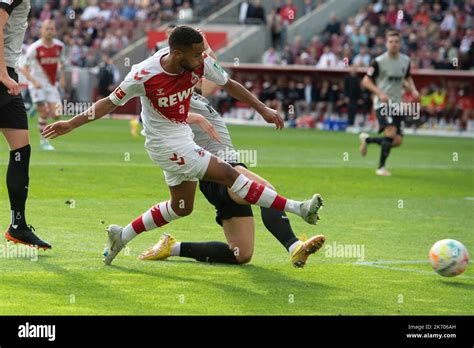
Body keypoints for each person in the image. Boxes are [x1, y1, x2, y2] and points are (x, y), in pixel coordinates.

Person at [42, 26, 323, 266]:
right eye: (198, 53)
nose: (203, 57)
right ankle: (299, 208)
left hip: (182, 138)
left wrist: (262, 109)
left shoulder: (199, 64)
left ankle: (122, 235)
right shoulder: (144, 74)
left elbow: (229, 84)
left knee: (181, 206)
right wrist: (71, 123)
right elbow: (107, 103)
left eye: (203, 53)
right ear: (177, 54)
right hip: (164, 144)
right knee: (229, 174)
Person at [138, 82, 325, 268]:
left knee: (240, 254)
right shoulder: (176, 98)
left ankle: (172, 247)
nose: (200, 75)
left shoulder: (199, 98)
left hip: (219, 176)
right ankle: (295, 247)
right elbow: (209, 68)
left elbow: (213, 73)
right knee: (266, 191)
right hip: (222, 170)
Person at [1, 0, 51, 249]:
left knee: (21, 150)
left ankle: (17, 225)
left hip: (8, 72)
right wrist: (1, 73)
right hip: (2, 74)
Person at [359, 30, 419, 176]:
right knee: (391, 132)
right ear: (386, 43)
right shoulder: (379, 61)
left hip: (398, 103)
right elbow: (366, 81)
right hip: (382, 103)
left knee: (397, 141)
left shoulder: (405, 60)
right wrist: (380, 93)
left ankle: (367, 139)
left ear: (400, 43)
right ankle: (381, 168)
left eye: (396, 42)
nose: (393, 44)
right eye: (391, 41)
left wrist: (414, 90)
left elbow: (407, 77)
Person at [19, 19, 66, 151]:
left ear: (55, 30)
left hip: (51, 85)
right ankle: (44, 141)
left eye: (52, 29)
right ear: (42, 31)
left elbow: (62, 63)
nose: (50, 31)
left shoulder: (60, 46)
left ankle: (35, 106)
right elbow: (23, 68)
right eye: (47, 29)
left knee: (57, 114)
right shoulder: (35, 48)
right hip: (37, 84)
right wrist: (33, 81)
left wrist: (62, 78)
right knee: (44, 113)